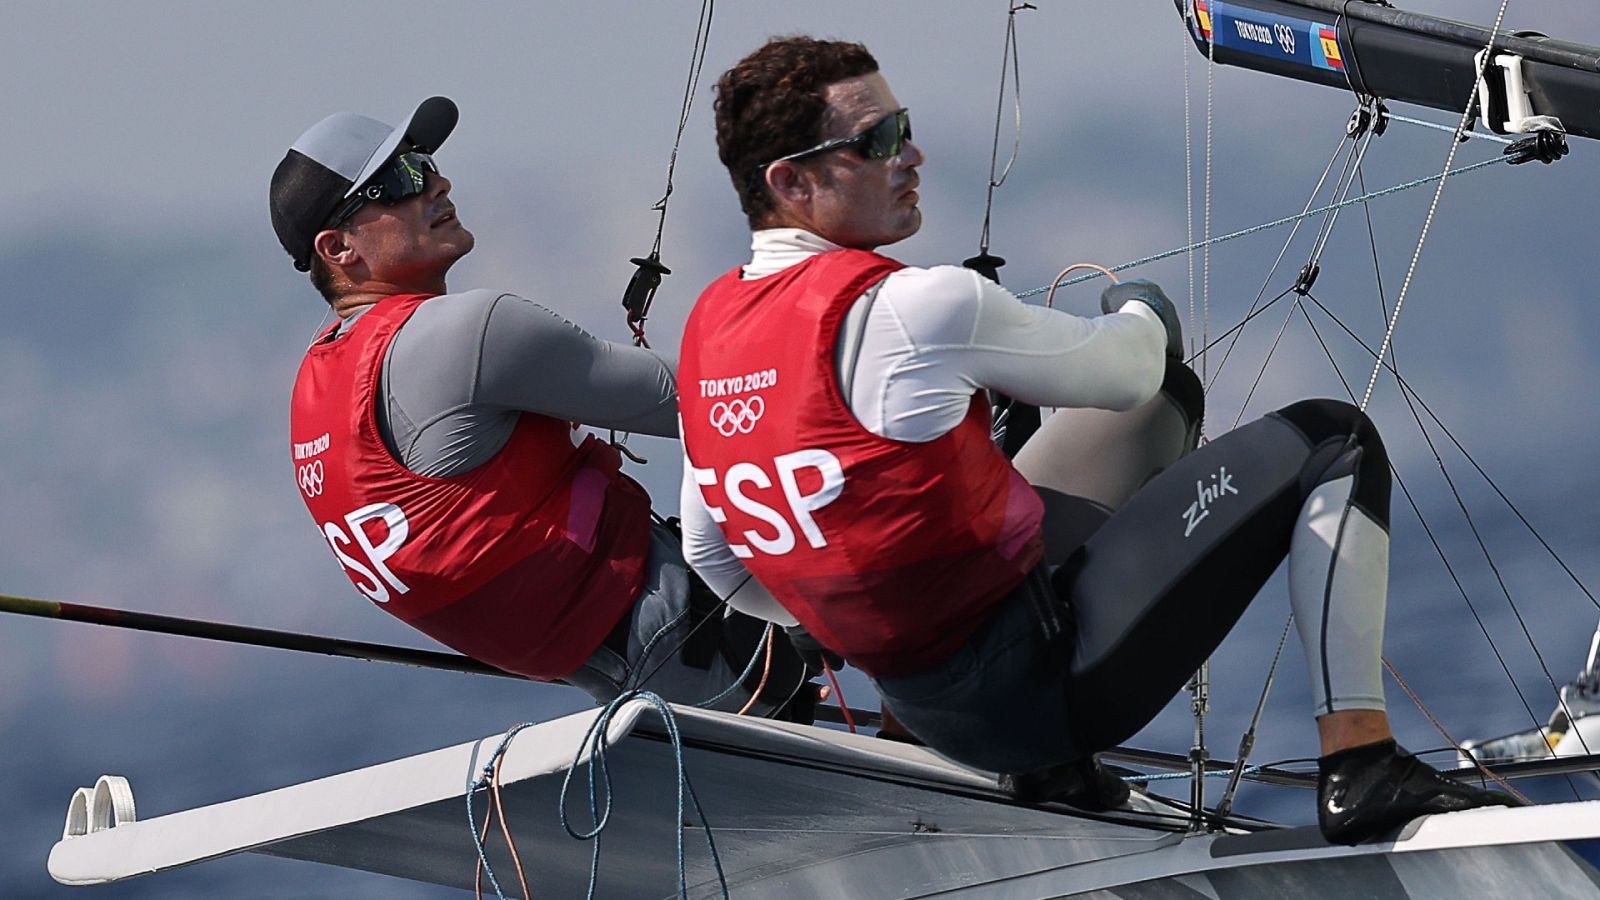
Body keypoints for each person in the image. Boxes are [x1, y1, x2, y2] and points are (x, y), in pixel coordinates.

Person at [675, 37, 1515, 844]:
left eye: (908, 126)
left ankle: (1054, 775)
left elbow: (719, 560)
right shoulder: (918, 305)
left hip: (934, 706)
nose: (913, 154)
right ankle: (1362, 762)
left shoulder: (709, 336)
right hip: (1042, 693)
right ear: (790, 181)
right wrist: (1140, 306)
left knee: (1161, 406)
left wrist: (866, 616)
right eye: (880, 139)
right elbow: (1127, 368)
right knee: (1333, 440)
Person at [270, 96, 810, 715]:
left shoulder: (316, 382)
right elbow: (717, 401)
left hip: (604, 670)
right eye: (401, 179)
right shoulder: (466, 333)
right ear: (339, 249)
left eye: (426, 162)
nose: (438, 182)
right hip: (683, 634)